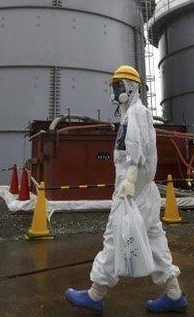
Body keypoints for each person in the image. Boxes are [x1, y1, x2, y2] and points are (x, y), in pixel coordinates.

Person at [65, 65, 187, 313]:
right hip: (144, 193)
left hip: (132, 193)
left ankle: (96, 294)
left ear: (130, 88)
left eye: (118, 86)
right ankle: (174, 294)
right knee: (154, 241)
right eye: (113, 86)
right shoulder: (132, 113)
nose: (114, 90)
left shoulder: (136, 114)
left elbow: (136, 154)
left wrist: (128, 186)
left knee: (114, 238)